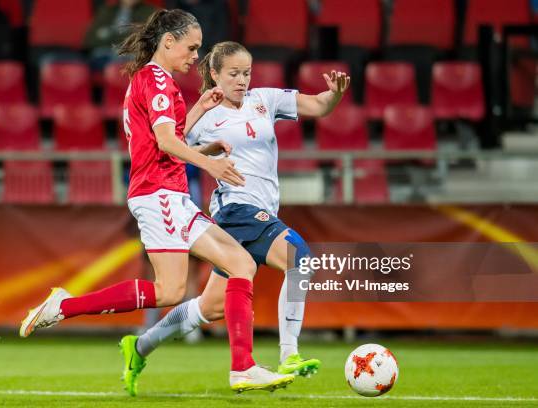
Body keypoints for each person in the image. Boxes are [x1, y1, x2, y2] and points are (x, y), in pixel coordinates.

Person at [19, 10, 294, 394]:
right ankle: (64, 306)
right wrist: (209, 161)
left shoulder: (149, 80)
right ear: (168, 42)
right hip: (158, 193)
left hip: (172, 192)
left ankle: (243, 367)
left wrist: (201, 120)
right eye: (191, 47)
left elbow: (168, 138)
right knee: (168, 292)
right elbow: (166, 143)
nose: (195, 57)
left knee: (241, 263)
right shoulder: (159, 83)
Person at [120, 41, 351, 395]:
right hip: (234, 210)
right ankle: (289, 354)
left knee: (210, 307)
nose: (242, 80)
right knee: (299, 258)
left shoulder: (266, 100)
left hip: (261, 213)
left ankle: (139, 347)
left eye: (246, 73)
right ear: (214, 74)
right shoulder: (206, 115)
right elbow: (168, 142)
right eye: (234, 74)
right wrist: (197, 113)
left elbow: (319, 106)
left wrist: (333, 96)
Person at [83, 0, 158, 70]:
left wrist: (108, 34)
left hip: (130, 56)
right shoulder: (107, 11)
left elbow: (143, 39)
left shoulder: (150, 12)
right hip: (103, 55)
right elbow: (90, 39)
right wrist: (127, 33)